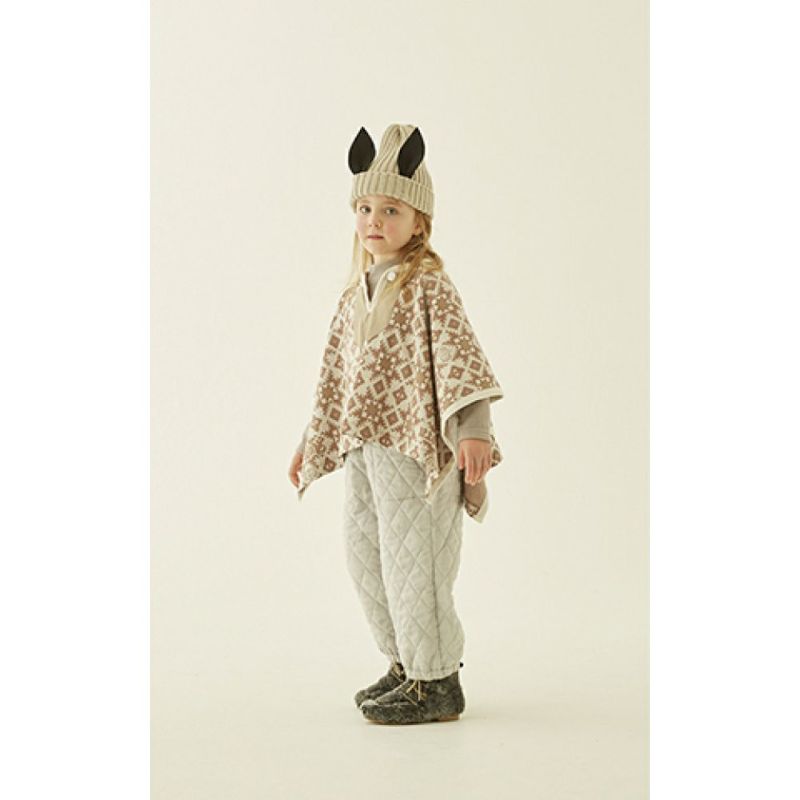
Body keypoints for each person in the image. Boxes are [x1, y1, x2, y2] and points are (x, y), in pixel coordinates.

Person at [287, 123, 504, 725]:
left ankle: (436, 682)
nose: (374, 220)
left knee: (417, 563)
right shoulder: (352, 295)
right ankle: (406, 663)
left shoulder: (427, 285)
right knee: (367, 556)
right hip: (364, 445)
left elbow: (459, 356)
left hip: (415, 449)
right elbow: (337, 376)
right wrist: (311, 440)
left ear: (419, 222)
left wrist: (473, 430)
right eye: (365, 208)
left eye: (390, 209)